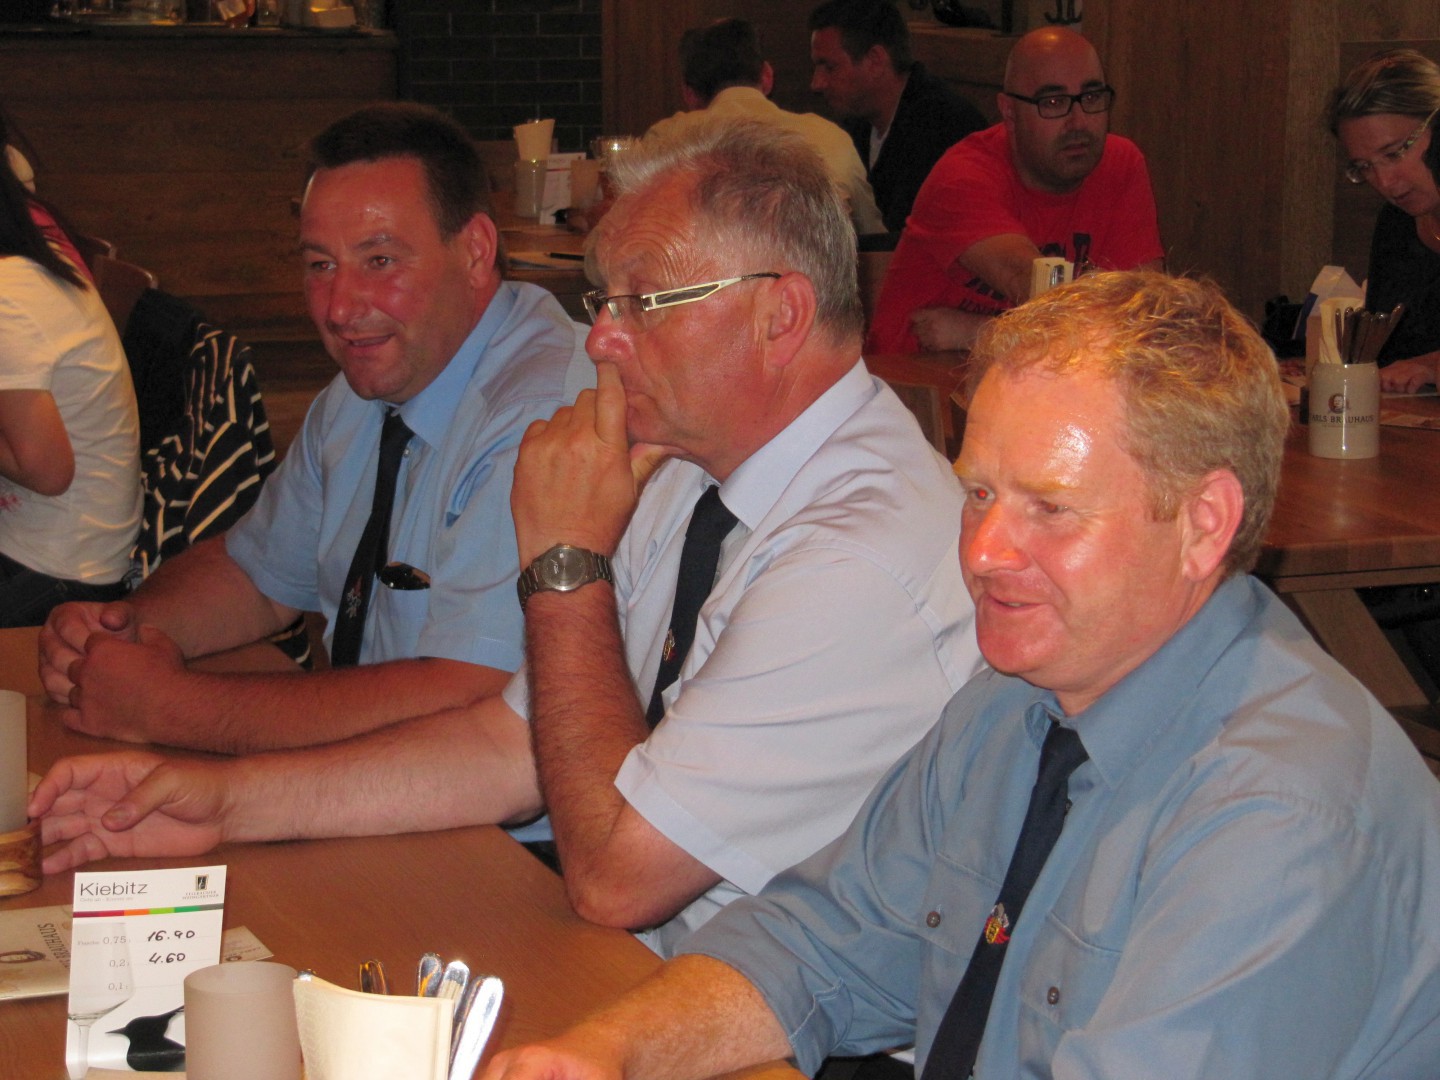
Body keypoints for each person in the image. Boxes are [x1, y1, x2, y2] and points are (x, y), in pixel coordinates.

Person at [30, 121, 983, 957]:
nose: (600, 341)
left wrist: (566, 569)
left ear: (780, 317)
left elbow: (616, 877)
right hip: (651, 967)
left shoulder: (854, 558)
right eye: (603, 304)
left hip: (776, 1036)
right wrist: (220, 804)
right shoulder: (696, 468)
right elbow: (511, 744)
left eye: (641, 304)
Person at [481, 271, 1440, 1080]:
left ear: (1204, 524)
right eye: (978, 490)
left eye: (1050, 509)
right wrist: (604, 1054)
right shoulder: (1013, 703)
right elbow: (820, 943)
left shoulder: (1283, 817)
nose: (981, 551)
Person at [36, 102, 594, 754]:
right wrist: (115, 633)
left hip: (516, 808)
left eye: (380, 260)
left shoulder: (543, 419)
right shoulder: (366, 388)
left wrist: (168, 707)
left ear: (475, 251)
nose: (340, 308)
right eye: (320, 265)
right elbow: (256, 576)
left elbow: (470, 698)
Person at [866, 26, 1164, 353]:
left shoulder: (1121, 164)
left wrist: (978, 332)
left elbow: (1142, 316)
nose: (1079, 123)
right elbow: (1040, 290)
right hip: (914, 375)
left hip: (1032, 372)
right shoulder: (963, 177)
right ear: (1009, 112)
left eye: (1091, 98)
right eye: (1053, 102)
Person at [0, 111, 140, 627]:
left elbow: (48, 471)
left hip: (64, 569)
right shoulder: (28, 261)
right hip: (49, 541)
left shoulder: (9, 295)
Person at [648, 17, 885, 236]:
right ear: (767, 76)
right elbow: (876, 242)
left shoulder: (663, 141)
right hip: (814, 267)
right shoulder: (832, 137)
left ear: (689, 94)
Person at [808, 0, 985, 235]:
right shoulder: (855, 124)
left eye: (829, 67)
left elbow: (903, 238)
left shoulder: (943, 127)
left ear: (875, 60)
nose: (816, 84)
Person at [1329, 48, 1440, 394]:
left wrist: (1432, 365)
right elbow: (1387, 355)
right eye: (1364, 167)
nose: (1386, 183)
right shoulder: (1397, 225)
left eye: (1394, 153)